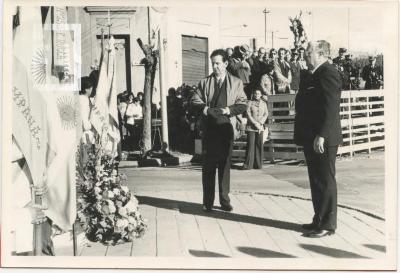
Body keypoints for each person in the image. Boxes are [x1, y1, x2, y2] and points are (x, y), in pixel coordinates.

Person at [294, 40, 342, 238]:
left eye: (308, 51)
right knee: (315, 180)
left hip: (323, 138)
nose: (305, 54)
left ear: (321, 54)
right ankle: (319, 218)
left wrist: (321, 135)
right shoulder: (314, 74)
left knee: (324, 180)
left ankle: (327, 224)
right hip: (312, 136)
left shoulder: (329, 73)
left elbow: (330, 108)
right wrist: (304, 72)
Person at [190, 49, 247, 212]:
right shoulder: (204, 83)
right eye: (212, 63)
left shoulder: (236, 82)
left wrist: (228, 111)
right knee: (208, 166)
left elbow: (242, 104)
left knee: (224, 165)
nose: (214, 66)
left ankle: (224, 200)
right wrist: (206, 109)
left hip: (226, 129)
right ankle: (207, 202)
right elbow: (194, 101)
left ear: (226, 64)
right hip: (209, 129)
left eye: (217, 63)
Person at [242, 89, 268, 170]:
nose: (257, 94)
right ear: (253, 94)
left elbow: (266, 113)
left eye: (258, 93)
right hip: (251, 127)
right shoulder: (249, 103)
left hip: (260, 127)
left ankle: (258, 164)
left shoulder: (264, 103)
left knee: (259, 145)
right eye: (255, 93)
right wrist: (255, 123)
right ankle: (248, 165)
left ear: (260, 95)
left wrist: (260, 123)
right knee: (250, 145)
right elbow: (248, 113)